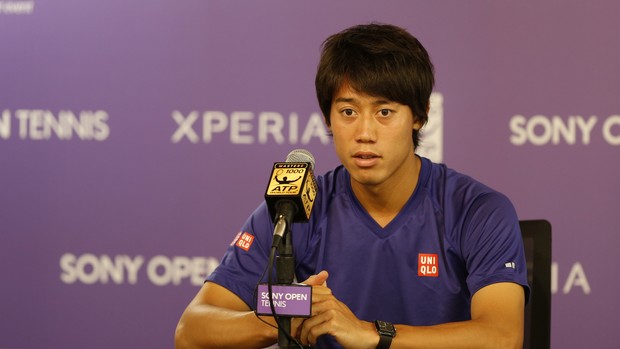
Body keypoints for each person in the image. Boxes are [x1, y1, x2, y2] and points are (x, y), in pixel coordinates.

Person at [175, 23, 529, 349]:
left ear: (420, 116)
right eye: (348, 112)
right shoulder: (295, 208)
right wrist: (287, 317)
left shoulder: (477, 210)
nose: (364, 133)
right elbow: (191, 331)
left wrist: (370, 333)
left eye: (384, 112)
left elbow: (502, 336)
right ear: (328, 116)